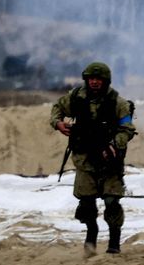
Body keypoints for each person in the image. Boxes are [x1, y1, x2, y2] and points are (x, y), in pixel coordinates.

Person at [51, 62, 136, 255]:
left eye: (99, 79)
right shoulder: (76, 97)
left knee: (111, 202)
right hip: (84, 159)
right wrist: (57, 123)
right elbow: (57, 108)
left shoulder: (118, 103)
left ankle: (114, 240)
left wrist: (115, 145)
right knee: (86, 203)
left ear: (105, 81)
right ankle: (91, 232)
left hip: (109, 162)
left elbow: (127, 128)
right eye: (92, 79)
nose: (95, 83)